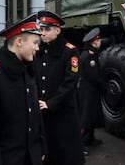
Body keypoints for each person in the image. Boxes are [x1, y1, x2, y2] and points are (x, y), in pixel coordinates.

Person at [0, 14, 46, 165]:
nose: (38, 48)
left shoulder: (26, 69)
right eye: (35, 42)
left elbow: (35, 114)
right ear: (19, 41)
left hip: (30, 156)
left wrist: (41, 147)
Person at [35, 10, 85, 165]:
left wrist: (51, 103)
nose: (43, 33)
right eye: (41, 29)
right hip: (44, 112)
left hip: (63, 113)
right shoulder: (41, 51)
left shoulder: (70, 51)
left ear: (58, 30)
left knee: (66, 154)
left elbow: (70, 83)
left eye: (47, 29)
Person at [78, 27, 105, 147]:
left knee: (91, 115)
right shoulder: (90, 56)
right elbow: (93, 77)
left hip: (87, 90)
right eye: (98, 41)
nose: (100, 43)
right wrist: (103, 87)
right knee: (87, 117)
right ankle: (83, 142)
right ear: (95, 42)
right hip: (89, 91)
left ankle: (90, 139)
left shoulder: (86, 53)